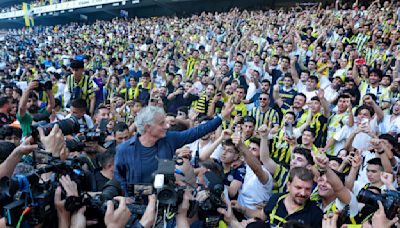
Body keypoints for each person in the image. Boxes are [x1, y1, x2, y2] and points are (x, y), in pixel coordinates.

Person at [114, 102, 233, 194]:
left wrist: (221, 117)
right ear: (147, 127)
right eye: (161, 123)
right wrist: (131, 196)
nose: (167, 126)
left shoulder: (169, 139)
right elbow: (119, 177)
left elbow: (196, 132)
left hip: (166, 202)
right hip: (138, 205)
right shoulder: (125, 150)